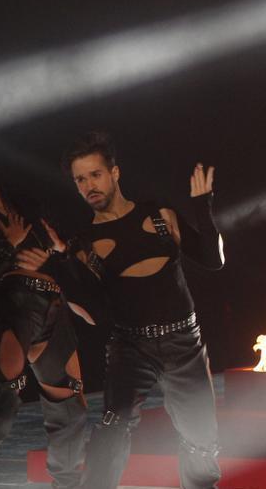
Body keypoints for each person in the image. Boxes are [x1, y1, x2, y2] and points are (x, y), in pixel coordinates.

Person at [60, 132, 225, 489]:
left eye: (95, 175)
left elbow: (213, 261)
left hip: (185, 343)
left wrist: (203, 207)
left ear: (114, 173)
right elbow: (93, 313)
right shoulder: (83, 244)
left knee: (201, 441)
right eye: (80, 179)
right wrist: (65, 268)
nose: (89, 185)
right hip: (131, 348)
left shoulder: (160, 214)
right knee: (111, 431)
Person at [0, 159, 87, 488]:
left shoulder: (26, 204)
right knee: (1, 400)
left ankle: (66, 484)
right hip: (10, 306)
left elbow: (65, 245)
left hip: (52, 305)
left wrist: (57, 250)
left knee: (69, 402)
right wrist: (8, 245)